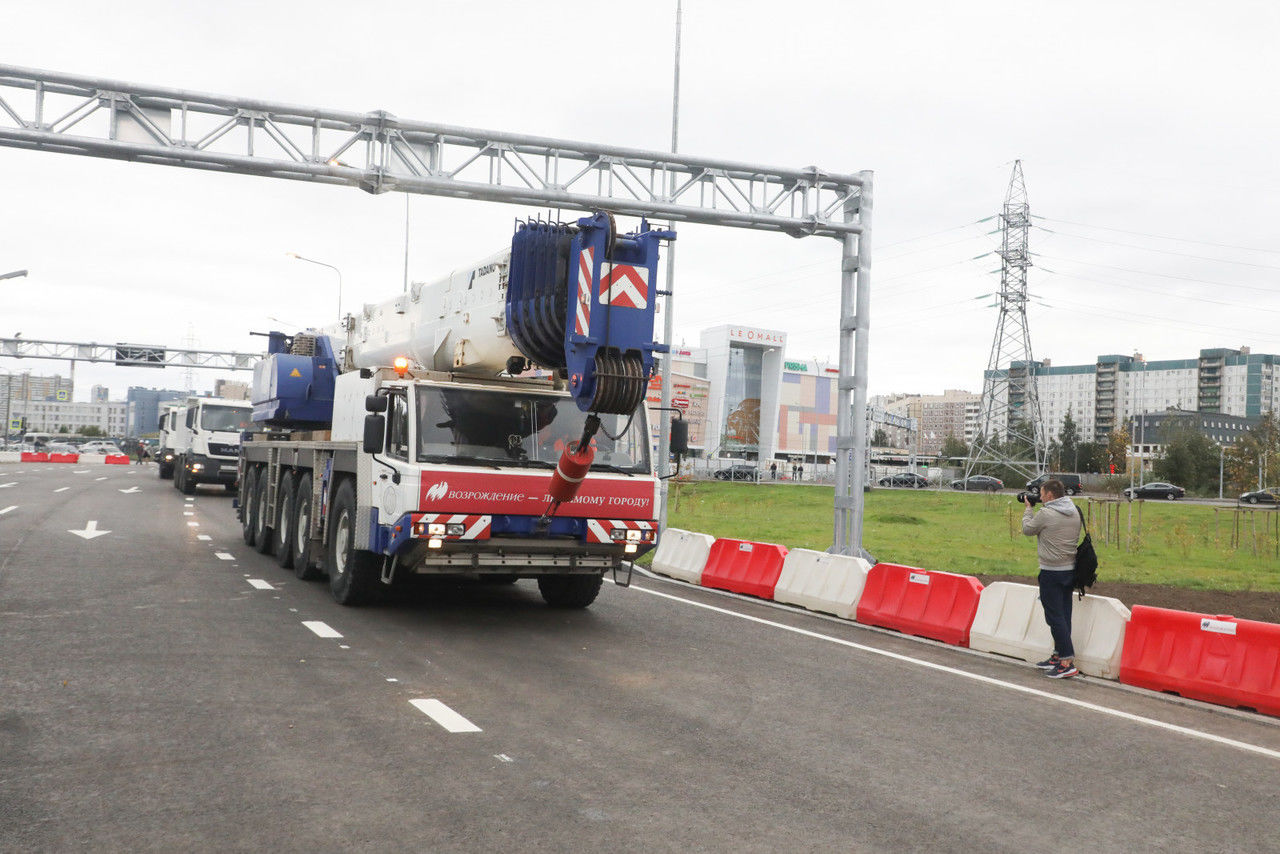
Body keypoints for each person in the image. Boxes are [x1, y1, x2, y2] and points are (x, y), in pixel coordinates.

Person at [1021, 478, 1082, 679]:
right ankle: (1057, 655)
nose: (1039, 497)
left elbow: (1028, 529)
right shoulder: (1074, 510)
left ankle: (1066, 660)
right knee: (1064, 614)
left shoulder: (1046, 513)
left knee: (1054, 616)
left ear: (1049, 495)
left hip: (1051, 571)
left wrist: (1028, 509)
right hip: (1070, 569)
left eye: (1041, 493)